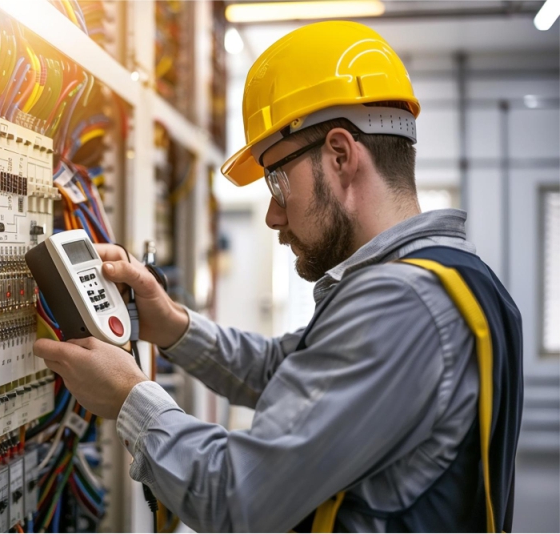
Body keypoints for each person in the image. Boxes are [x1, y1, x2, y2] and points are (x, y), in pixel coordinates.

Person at [34, 21, 523, 532]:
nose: (272, 213)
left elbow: (236, 496)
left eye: (277, 178)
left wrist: (130, 397)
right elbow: (282, 373)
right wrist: (173, 325)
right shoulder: (455, 281)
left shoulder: (403, 304)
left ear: (341, 155)